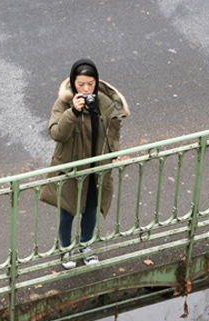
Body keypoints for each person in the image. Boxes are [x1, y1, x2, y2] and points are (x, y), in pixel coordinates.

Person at [40, 58, 130, 269]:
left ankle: (86, 246)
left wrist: (112, 153)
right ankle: (65, 249)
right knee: (68, 210)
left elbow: (114, 129)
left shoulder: (103, 102)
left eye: (91, 83)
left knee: (91, 210)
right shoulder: (64, 103)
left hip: (95, 169)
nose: (86, 88)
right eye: (81, 84)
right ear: (73, 82)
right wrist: (73, 112)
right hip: (71, 168)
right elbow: (56, 134)